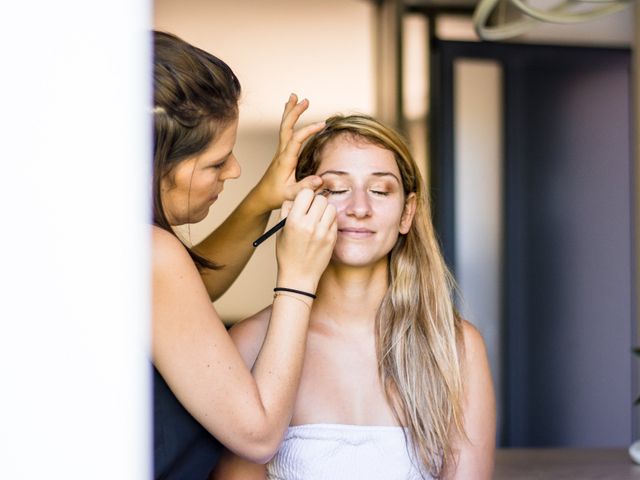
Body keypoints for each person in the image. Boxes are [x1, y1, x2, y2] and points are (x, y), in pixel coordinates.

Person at [211, 115, 496, 480]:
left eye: (380, 191)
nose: (359, 208)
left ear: (407, 213)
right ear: (299, 205)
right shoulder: (249, 344)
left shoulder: (457, 348)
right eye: (334, 189)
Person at [151, 31, 338, 479]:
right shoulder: (149, 253)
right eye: (216, 163)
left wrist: (261, 200)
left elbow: (180, 302)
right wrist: (297, 279)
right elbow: (257, 436)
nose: (234, 170)